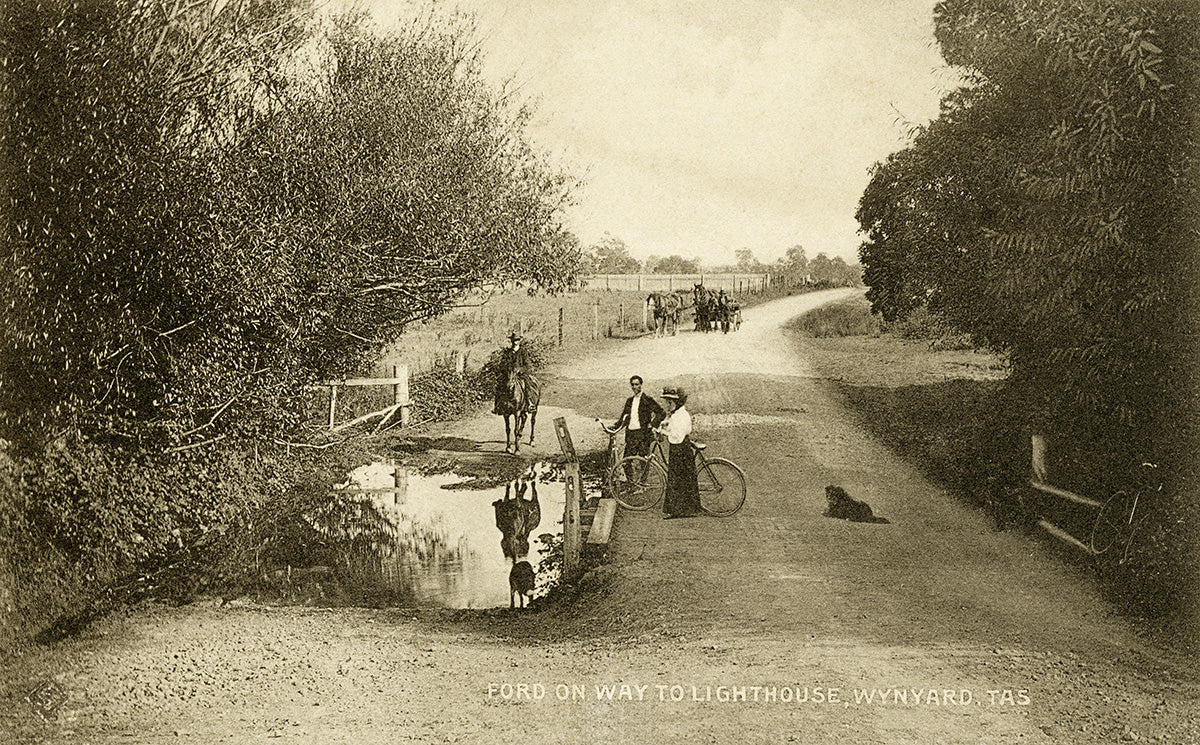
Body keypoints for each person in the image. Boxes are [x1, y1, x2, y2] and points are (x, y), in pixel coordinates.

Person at [655, 387, 702, 519]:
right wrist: (665, 424)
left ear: (673, 403)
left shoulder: (681, 415)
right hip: (679, 447)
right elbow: (672, 425)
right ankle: (683, 509)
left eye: (668, 402)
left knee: (678, 478)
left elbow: (677, 435)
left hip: (680, 448)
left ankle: (679, 510)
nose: (666, 405)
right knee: (680, 477)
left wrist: (662, 432)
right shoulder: (678, 414)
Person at [612, 375, 665, 460]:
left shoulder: (647, 399)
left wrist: (652, 424)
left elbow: (661, 413)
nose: (634, 387)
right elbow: (624, 417)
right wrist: (615, 427)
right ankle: (630, 474)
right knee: (626, 462)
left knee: (643, 462)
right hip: (630, 435)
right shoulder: (629, 401)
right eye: (632, 385)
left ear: (641, 385)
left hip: (643, 435)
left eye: (636, 384)